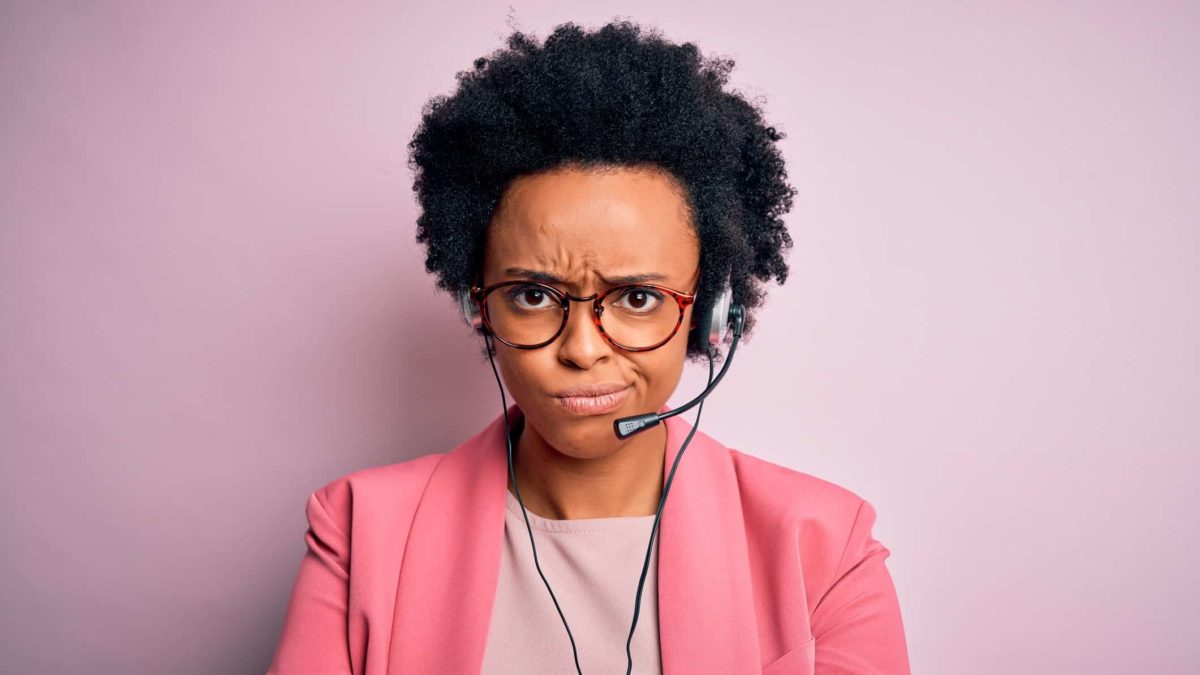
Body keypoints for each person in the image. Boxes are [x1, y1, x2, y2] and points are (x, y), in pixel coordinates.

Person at [267, 20, 910, 675]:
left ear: (711, 312)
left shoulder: (825, 549)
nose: (580, 350)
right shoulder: (359, 530)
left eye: (637, 297)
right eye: (532, 295)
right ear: (476, 301)